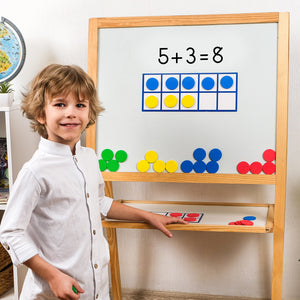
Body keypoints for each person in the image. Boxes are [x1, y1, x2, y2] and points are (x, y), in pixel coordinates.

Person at [0, 64, 187, 300]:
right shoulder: (35, 171)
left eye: (80, 105)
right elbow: (10, 232)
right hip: (52, 292)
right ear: (40, 113)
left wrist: (148, 216)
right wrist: (53, 276)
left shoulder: (88, 157)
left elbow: (98, 202)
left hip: (95, 288)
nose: (71, 112)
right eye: (60, 104)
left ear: (89, 113)